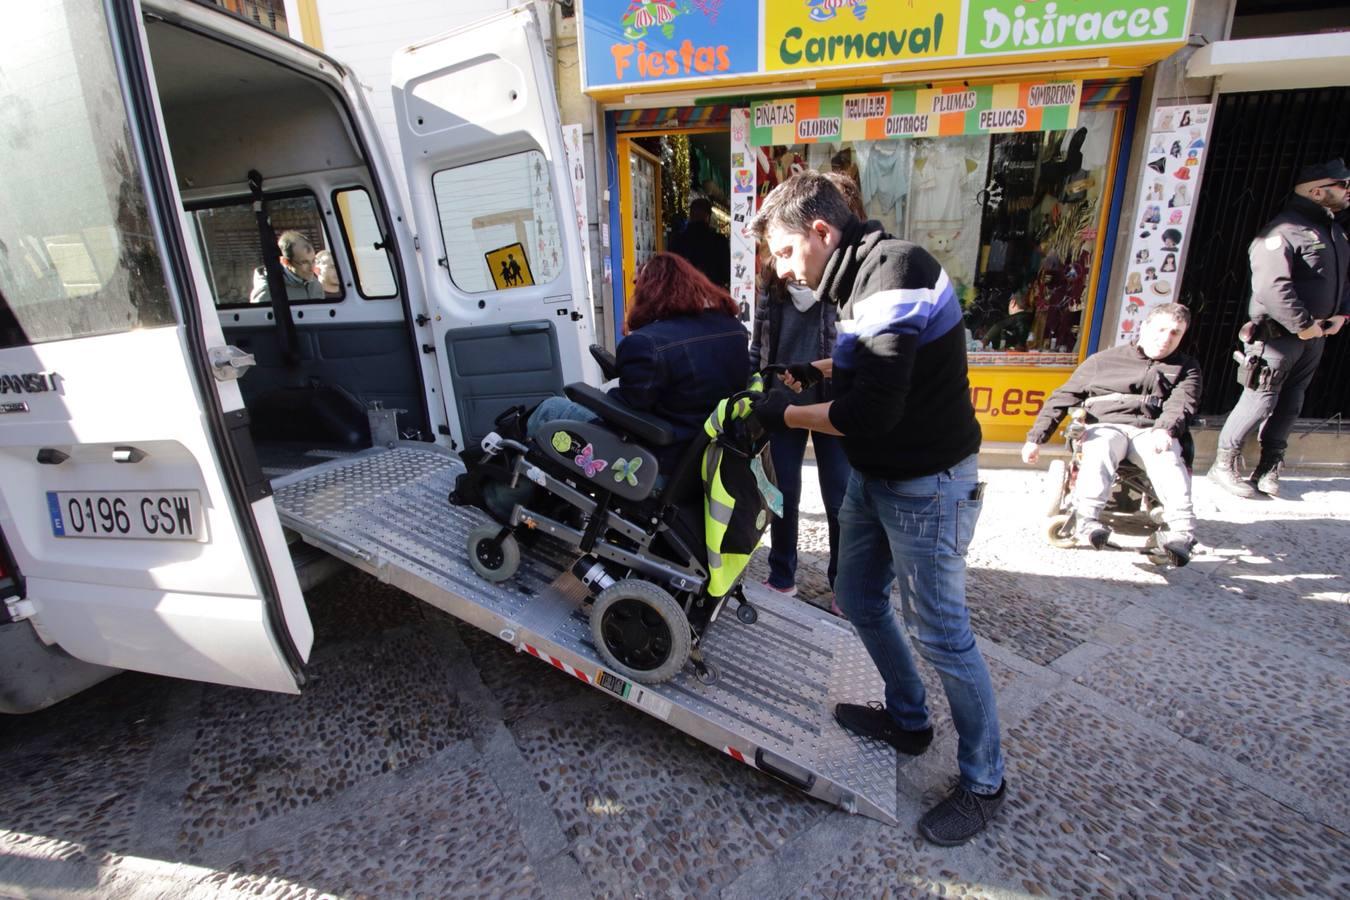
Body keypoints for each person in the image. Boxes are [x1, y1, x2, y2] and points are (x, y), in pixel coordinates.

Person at [748, 171, 1005, 846]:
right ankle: (908, 718)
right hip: (879, 475)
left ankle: (985, 780)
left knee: (944, 634)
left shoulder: (895, 272)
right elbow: (874, 366)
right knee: (858, 597)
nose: (778, 268)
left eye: (782, 251)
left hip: (930, 483)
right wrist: (818, 374)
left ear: (822, 233)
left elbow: (871, 410)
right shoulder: (859, 280)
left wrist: (788, 409)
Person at [526, 252, 748, 475]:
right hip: (709, 458)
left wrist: (598, 396)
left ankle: (501, 498)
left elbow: (624, 414)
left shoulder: (647, 343)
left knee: (550, 409)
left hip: (657, 460)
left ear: (650, 292)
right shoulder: (733, 329)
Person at [747, 174, 858, 608]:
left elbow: (859, 350)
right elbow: (759, 341)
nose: (784, 264)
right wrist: (756, 386)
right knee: (782, 493)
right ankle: (781, 574)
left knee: (839, 496)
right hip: (783, 400)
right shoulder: (773, 278)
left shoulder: (840, 279)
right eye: (779, 253)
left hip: (833, 401)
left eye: (787, 251)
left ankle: (843, 585)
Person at [1208, 159, 1350, 498]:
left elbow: (1344, 281)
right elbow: (1272, 288)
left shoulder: (1334, 232)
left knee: (1291, 403)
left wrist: (1341, 316)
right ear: (1318, 191)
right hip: (1278, 336)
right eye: (1343, 185)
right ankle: (1223, 465)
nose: (1348, 191)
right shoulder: (1282, 231)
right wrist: (1303, 326)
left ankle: (1268, 466)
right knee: (1259, 399)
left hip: (1317, 336)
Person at [1021, 304, 1202, 565]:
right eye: (1161, 329)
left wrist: (1166, 429)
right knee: (1100, 446)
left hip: (1152, 429)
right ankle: (1086, 519)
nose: (1166, 338)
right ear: (1145, 327)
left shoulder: (1186, 367)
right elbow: (1062, 397)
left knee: (1167, 455)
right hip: (1107, 424)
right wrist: (1035, 439)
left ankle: (1182, 532)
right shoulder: (1102, 361)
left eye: (1175, 333)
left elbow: (1183, 403)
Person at [250, 230, 326, 304]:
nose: (312, 268)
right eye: (304, 262)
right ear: (285, 262)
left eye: (313, 260)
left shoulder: (315, 285)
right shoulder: (268, 292)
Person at [669, 197, 730, 287]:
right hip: (711, 293)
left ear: (690, 215)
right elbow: (726, 274)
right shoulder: (719, 241)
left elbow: (670, 272)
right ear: (708, 217)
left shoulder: (677, 240)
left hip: (684, 294)